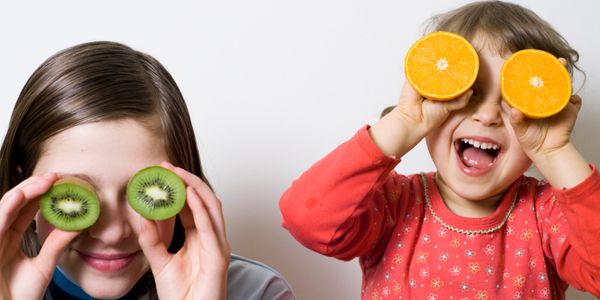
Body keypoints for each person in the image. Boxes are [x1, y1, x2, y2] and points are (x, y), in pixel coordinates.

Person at [279, 1, 600, 299]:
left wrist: (555, 151)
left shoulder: (546, 215)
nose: (487, 116)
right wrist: (403, 122)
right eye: (468, 93)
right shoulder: (392, 204)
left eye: (513, 102)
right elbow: (307, 220)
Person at [0, 41, 294, 300]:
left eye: (138, 194)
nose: (113, 233)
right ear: (19, 183)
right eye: (76, 192)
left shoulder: (259, 293)